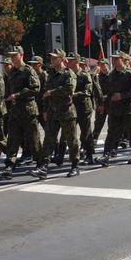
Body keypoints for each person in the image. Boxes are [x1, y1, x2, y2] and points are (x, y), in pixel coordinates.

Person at [0, 45, 42, 180]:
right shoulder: (12, 72)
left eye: (15, 55)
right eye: (11, 55)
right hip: (15, 112)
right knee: (12, 141)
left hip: (28, 110)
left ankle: (40, 165)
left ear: (21, 55)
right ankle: (9, 167)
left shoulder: (28, 70)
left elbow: (35, 88)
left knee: (33, 140)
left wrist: (18, 95)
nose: (12, 58)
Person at [29, 49, 80, 179]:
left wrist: (53, 92)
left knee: (71, 140)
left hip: (66, 111)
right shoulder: (51, 74)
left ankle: (75, 166)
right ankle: (43, 167)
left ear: (62, 59)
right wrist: (46, 110)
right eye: (51, 58)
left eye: (54, 58)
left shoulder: (69, 74)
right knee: (49, 140)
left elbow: (69, 89)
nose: (51, 60)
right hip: (53, 112)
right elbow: (45, 94)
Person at [96, 51, 131, 167]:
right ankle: (106, 155)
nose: (114, 61)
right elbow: (108, 92)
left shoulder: (130, 73)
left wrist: (122, 95)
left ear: (122, 59)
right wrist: (104, 104)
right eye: (113, 59)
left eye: (117, 59)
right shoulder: (111, 75)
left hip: (129, 108)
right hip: (115, 109)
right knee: (111, 132)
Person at [67, 52, 95, 165]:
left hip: (84, 108)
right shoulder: (68, 74)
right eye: (68, 60)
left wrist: (75, 94)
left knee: (86, 133)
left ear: (77, 61)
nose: (68, 62)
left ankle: (89, 155)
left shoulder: (84, 75)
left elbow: (88, 91)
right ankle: (73, 155)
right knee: (70, 133)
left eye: (71, 60)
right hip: (72, 107)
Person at [92, 58, 110, 142]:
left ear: (107, 64)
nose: (102, 66)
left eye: (104, 64)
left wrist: (103, 101)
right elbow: (95, 92)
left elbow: (112, 91)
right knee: (98, 123)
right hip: (100, 104)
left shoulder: (112, 76)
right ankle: (94, 140)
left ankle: (113, 142)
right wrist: (99, 104)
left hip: (110, 104)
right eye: (101, 65)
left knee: (112, 124)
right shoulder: (98, 77)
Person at [28, 55, 48, 129]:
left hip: (42, 106)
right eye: (31, 64)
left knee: (48, 131)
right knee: (32, 130)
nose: (32, 65)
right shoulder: (31, 75)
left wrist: (45, 110)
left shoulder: (44, 76)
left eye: (34, 64)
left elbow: (45, 92)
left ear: (40, 64)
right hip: (33, 107)